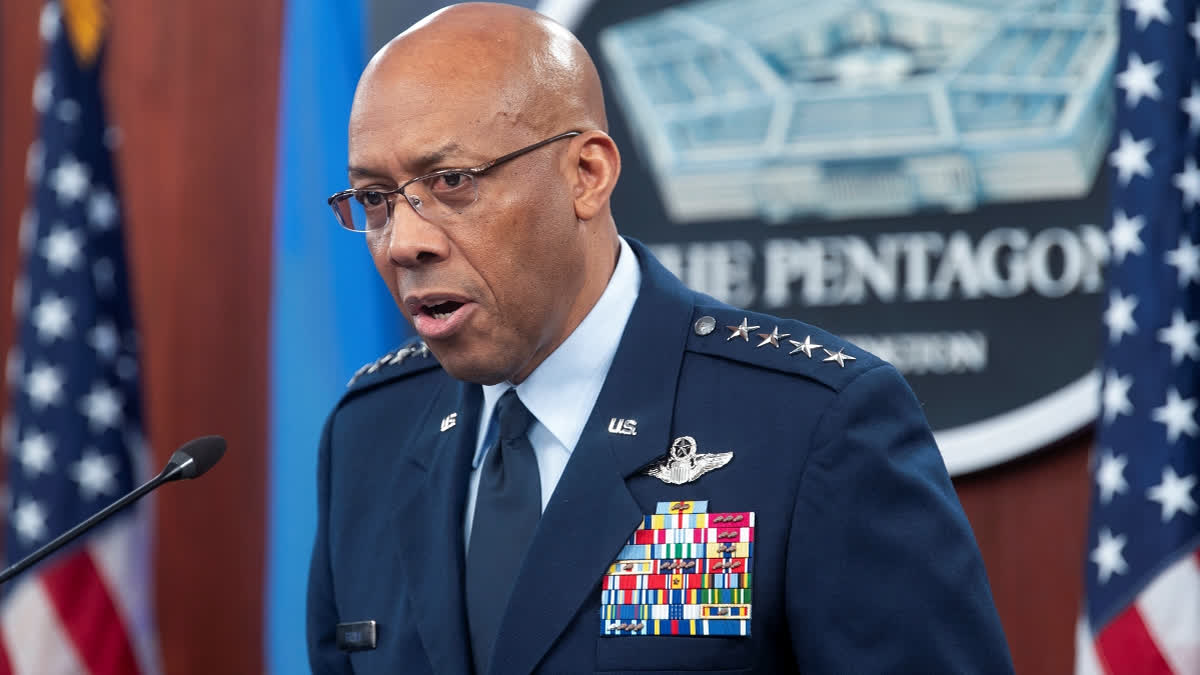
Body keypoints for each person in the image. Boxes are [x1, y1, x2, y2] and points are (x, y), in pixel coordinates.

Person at [306, 3, 1014, 673]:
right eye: (375, 199)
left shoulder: (813, 426)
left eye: (452, 181)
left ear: (587, 174)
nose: (405, 242)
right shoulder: (370, 431)